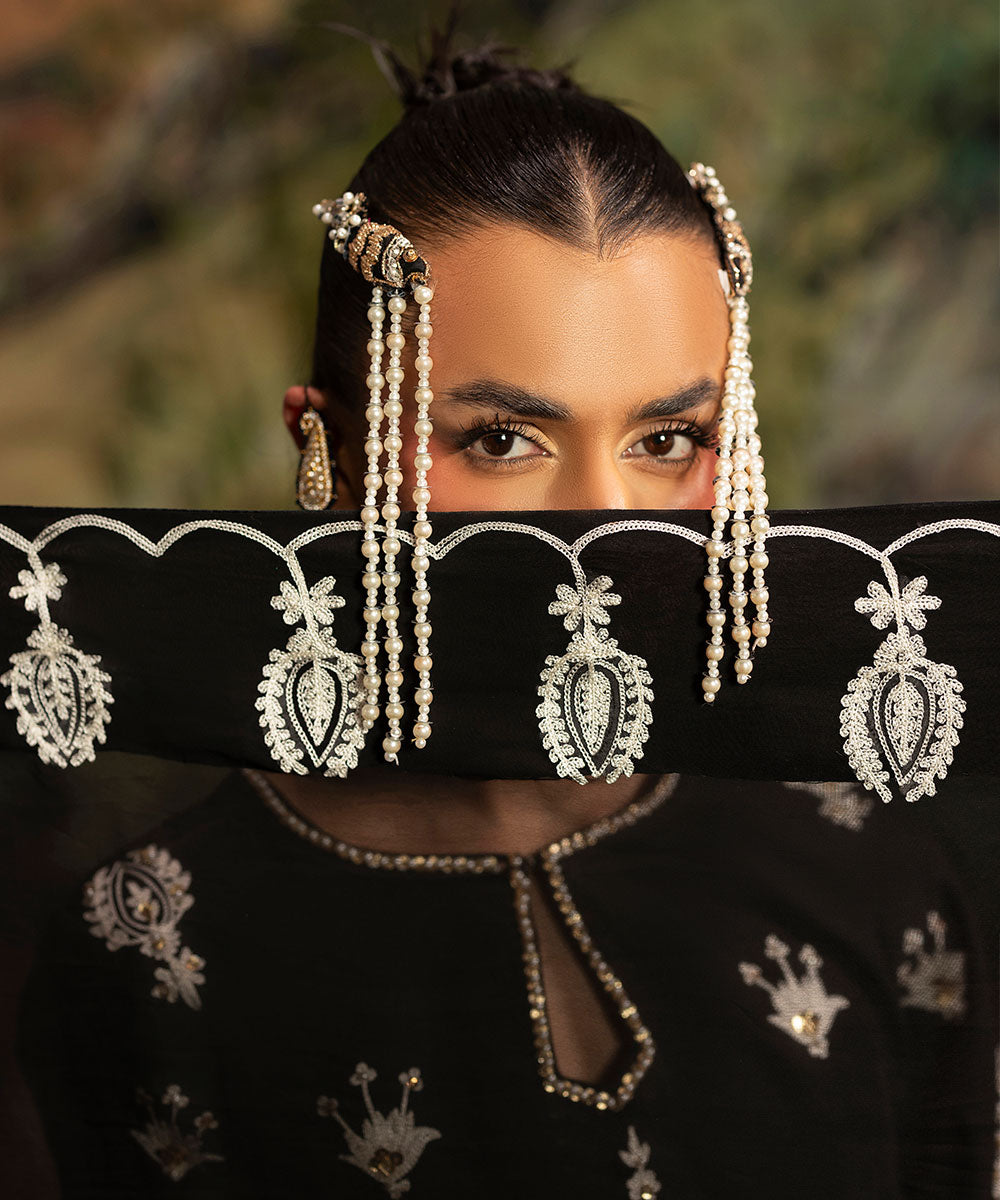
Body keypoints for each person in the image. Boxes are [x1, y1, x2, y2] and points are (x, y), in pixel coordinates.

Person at [13, 32, 996, 1200]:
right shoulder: (156, 944)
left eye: (666, 439)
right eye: (500, 440)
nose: (605, 527)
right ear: (328, 446)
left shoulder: (869, 871)